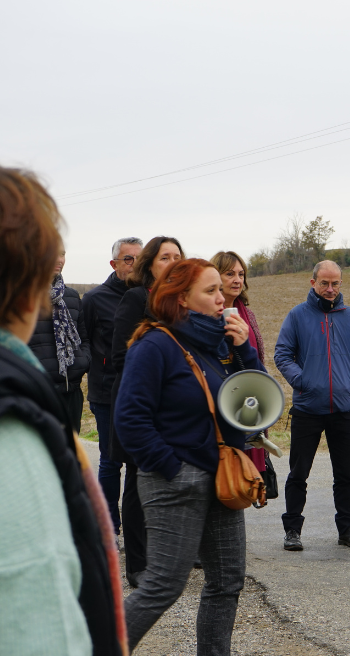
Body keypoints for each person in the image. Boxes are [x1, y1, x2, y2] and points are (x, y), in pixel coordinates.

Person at [0, 166, 126, 655]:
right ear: (31, 273)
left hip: (62, 389)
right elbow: (40, 614)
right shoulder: (14, 427)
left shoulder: (73, 300)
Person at [115, 258, 260, 654]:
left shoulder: (217, 344)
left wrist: (244, 348)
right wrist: (171, 468)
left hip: (221, 479)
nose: (222, 297)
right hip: (175, 480)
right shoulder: (156, 344)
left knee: (227, 581)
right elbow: (129, 418)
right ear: (182, 299)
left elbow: (256, 403)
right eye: (211, 290)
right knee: (163, 584)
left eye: (221, 289)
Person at [275, 260, 350, 551]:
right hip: (307, 408)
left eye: (335, 283)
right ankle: (292, 529)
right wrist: (302, 380)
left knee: (345, 474)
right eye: (324, 283)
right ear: (313, 283)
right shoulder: (297, 316)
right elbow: (282, 354)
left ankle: (347, 528)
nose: (330, 289)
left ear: (341, 284)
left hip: (344, 409)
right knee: (298, 473)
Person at [110, 235, 184, 586]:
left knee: (173, 483)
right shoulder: (135, 298)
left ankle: (169, 556)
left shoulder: (183, 302)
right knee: (139, 484)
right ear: (150, 264)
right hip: (140, 404)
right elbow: (121, 356)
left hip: (175, 409)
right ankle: (138, 565)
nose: (171, 261)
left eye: (177, 256)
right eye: (164, 257)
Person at [82, 236, 143, 535]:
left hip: (142, 392)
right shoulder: (95, 299)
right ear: (114, 264)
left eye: (138, 259)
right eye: (128, 259)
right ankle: (110, 527)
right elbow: (85, 342)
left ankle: (139, 525)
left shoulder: (149, 296)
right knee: (110, 461)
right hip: (107, 392)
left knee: (139, 461)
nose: (134, 264)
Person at [211, 250, 269, 476]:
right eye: (229, 274)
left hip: (249, 398)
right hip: (224, 402)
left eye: (241, 274)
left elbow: (258, 357)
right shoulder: (208, 316)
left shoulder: (248, 314)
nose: (237, 280)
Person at [28, 239, 91, 433]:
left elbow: (84, 338)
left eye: (62, 254)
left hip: (70, 391)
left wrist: (83, 361)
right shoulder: (19, 295)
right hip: (35, 393)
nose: (59, 259)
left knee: (70, 456)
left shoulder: (70, 296)